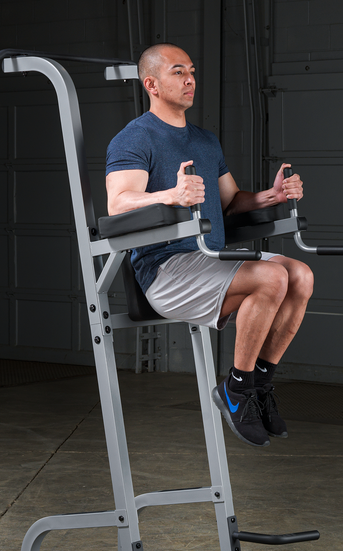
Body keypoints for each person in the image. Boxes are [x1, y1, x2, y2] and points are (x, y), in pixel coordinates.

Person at [106, 43, 313, 448]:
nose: (190, 80)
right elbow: (118, 203)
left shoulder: (205, 141)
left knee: (300, 275)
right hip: (165, 269)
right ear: (151, 84)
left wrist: (270, 196)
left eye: (192, 72)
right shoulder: (134, 137)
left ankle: (256, 385)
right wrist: (170, 195)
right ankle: (236, 389)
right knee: (272, 277)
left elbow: (231, 202)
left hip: (210, 258)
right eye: (178, 72)